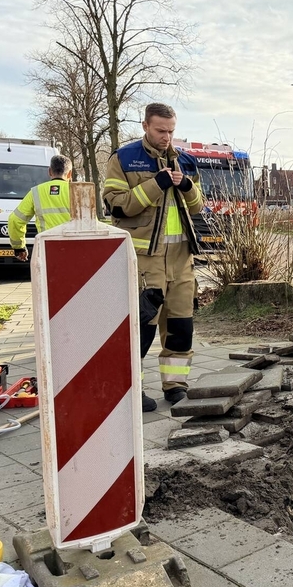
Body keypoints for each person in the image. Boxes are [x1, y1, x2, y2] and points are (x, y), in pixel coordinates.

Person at [103, 103, 205, 412]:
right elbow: (117, 206)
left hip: (181, 256)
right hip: (145, 256)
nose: (167, 137)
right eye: (161, 130)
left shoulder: (185, 161)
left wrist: (186, 186)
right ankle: (129, 389)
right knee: (143, 326)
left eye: (172, 130)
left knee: (181, 327)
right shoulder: (123, 158)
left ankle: (175, 385)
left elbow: (198, 207)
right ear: (145, 125)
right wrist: (156, 183)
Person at [8, 154, 73, 261]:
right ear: (70, 174)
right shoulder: (79, 192)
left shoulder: (35, 192)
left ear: (50, 171)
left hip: (47, 250)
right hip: (76, 248)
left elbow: (14, 220)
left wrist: (19, 247)